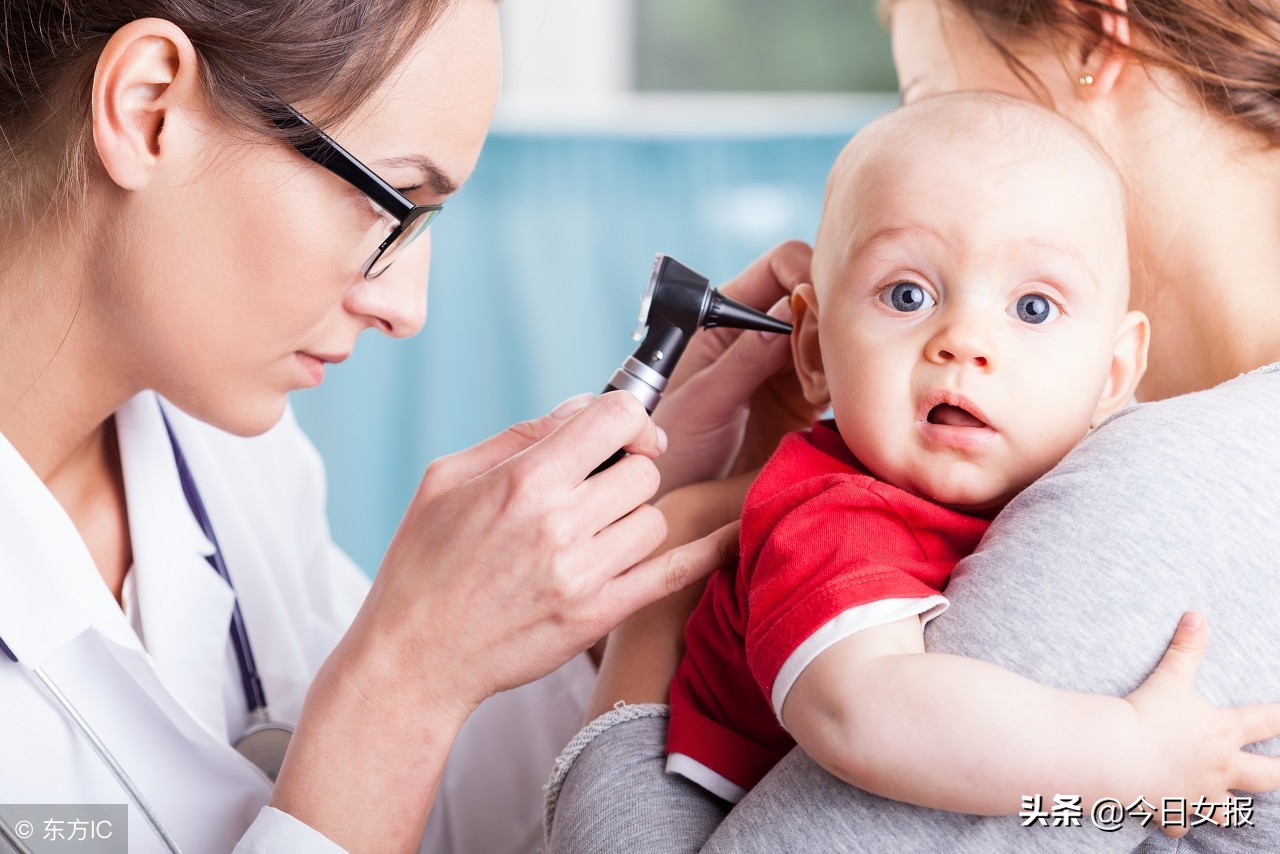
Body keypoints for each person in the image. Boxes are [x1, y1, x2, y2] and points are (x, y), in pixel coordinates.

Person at [0, 1, 819, 852]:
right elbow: (375, 736)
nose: (406, 308)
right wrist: (402, 684)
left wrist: (611, 545)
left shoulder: (234, 459)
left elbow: (422, 814)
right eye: (393, 205)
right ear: (149, 108)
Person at [543, 0, 1280, 851]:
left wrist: (662, 594)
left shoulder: (1167, 483)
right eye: (906, 294)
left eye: (1033, 306)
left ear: (1092, 33)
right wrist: (1128, 756)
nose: (963, 342)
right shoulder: (843, 514)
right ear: (814, 344)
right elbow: (870, 711)